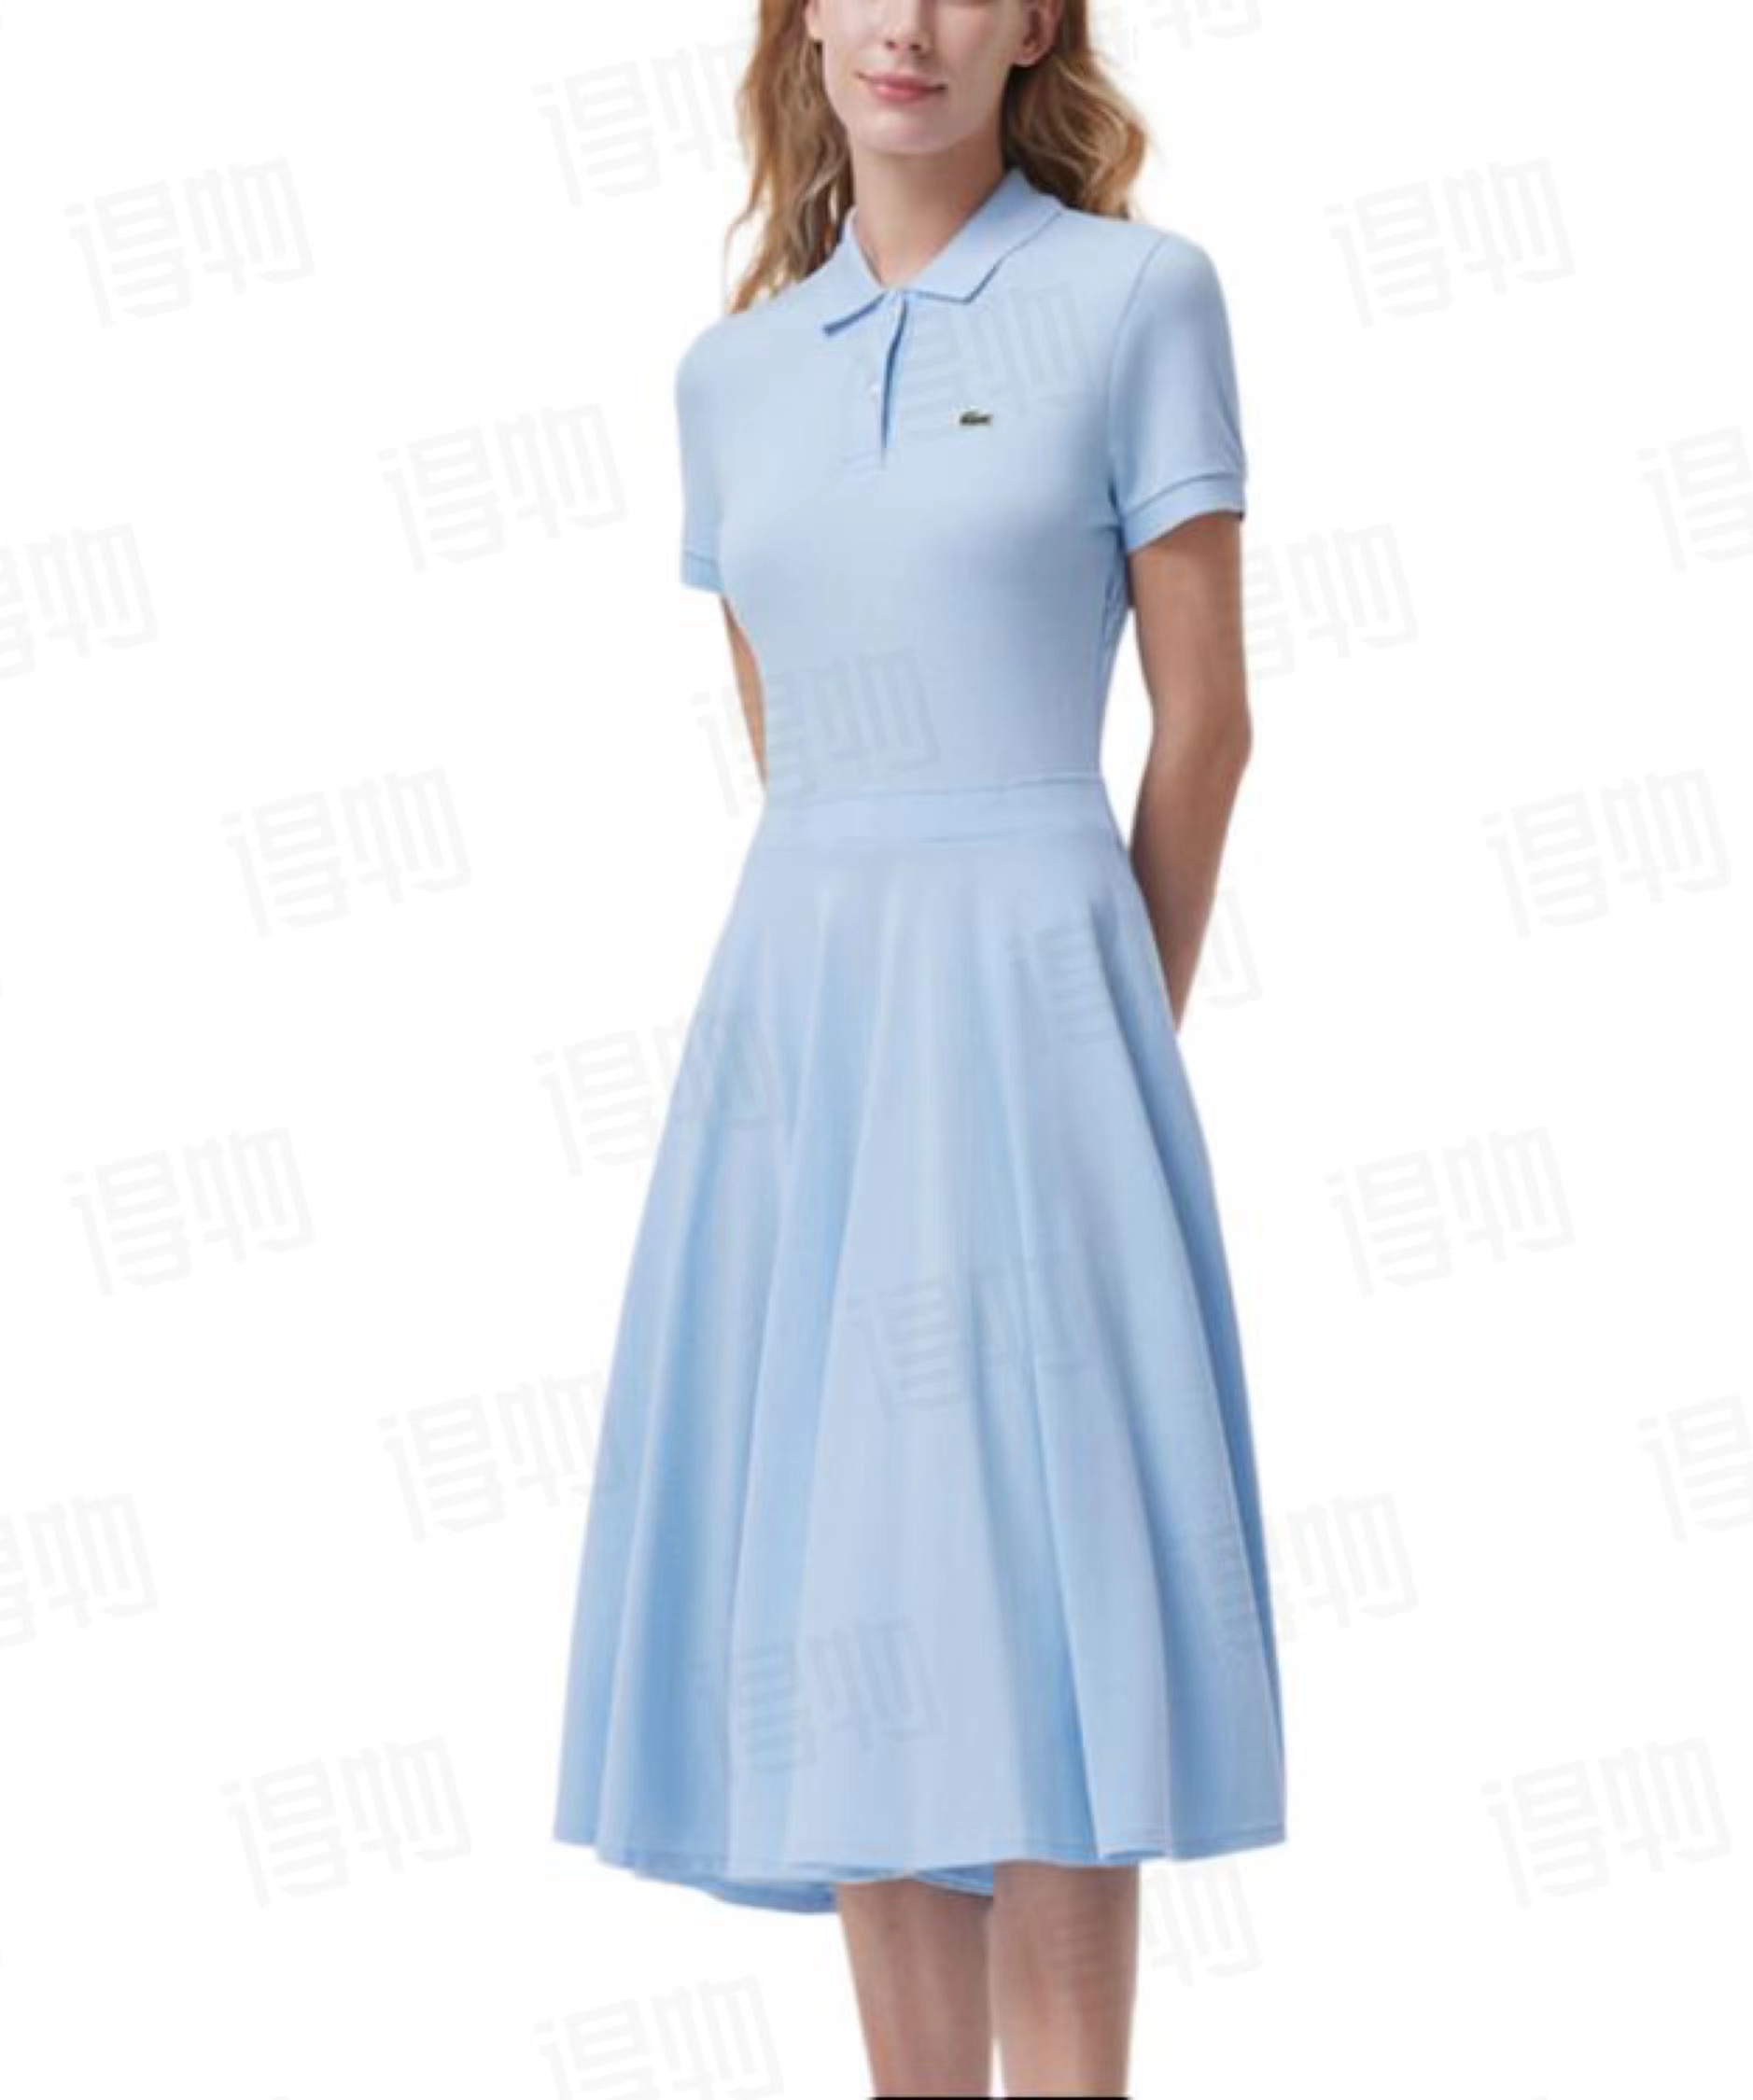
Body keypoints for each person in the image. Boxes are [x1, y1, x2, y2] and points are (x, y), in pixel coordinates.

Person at [551, 4, 1286, 2093]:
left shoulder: (1140, 299)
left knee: (1042, 1600)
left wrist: (1099, 1044)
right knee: (853, 1589)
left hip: (1042, 1015)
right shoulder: (730, 376)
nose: (909, 25)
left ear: (1036, 22)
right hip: (803, 1038)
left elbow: (1207, 729)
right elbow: (792, 737)